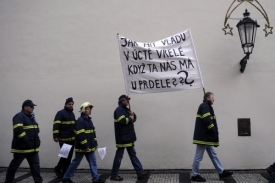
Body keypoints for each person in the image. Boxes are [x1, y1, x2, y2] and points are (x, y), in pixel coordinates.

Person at [191, 92, 233, 182]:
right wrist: (213, 130)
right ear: (208, 98)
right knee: (198, 156)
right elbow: (207, 120)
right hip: (203, 137)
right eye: (212, 97)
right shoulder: (204, 106)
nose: (214, 99)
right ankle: (194, 175)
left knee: (213, 154)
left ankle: (221, 172)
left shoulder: (207, 106)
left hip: (206, 137)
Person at [110, 95, 149, 181]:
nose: (128, 102)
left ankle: (140, 172)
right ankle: (114, 174)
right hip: (122, 138)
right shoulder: (119, 110)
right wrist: (130, 118)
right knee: (119, 157)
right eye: (127, 100)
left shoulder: (125, 109)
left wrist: (133, 115)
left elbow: (133, 118)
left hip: (127, 137)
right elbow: (122, 121)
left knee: (132, 155)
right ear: (122, 101)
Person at [62, 102, 102, 183]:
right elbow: (80, 135)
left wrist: (95, 143)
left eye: (90, 109)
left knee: (93, 163)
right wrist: (85, 145)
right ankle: (66, 178)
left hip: (90, 147)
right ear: (83, 110)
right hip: (82, 147)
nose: (89, 110)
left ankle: (96, 179)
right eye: (87, 109)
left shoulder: (89, 120)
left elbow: (93, 133)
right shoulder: (80, 121)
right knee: (75, 163)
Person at [4, 100, 43, 183]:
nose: (33, 108)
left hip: (33, 148)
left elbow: (35, 131)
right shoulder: (19, 116)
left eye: (33, 107)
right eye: (31, 106)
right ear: (25, 107)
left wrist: (38, 140)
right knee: (14, 166)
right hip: (21, 148)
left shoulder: (31, 117)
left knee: (36, 166)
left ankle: (38, 181)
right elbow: (18, 130)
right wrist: (27, 141)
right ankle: (8, 181)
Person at [53, 97, 76, 178]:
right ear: (65, 104)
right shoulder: (61, 113)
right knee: (64, 156)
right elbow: (56, 125)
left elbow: (74, 126)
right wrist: (56, 136)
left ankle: (65, 171)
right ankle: (58, 169)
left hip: (71, 139)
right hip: (63, 139)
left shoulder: (72, 114)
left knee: (69, 157)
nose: (71, 106)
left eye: (72, 104)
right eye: (69, 104)